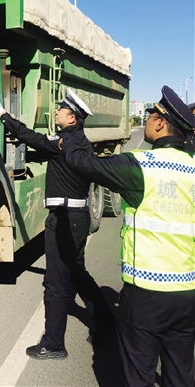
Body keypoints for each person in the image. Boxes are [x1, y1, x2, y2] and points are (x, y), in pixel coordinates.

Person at [60, 86, 195, 387]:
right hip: (188, 294)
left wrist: (70, 132)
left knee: (139, 374)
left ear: (161, 123)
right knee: (182, 373)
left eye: (150, 115)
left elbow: (83, 164)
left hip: (147, 293)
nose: (146, 120)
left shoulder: (141, 166)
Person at [0, 88, 117, 360]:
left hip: (64, 220)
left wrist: (1, 111)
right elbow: (44, 150)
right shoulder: (76, 141)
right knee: (77, 273)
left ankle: (54, 343)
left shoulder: (64, 142)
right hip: (76, 218)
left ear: (71, 119)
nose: (56, 111)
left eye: (61, 110)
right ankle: (107, 324)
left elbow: (30, 137)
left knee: (56, 284)